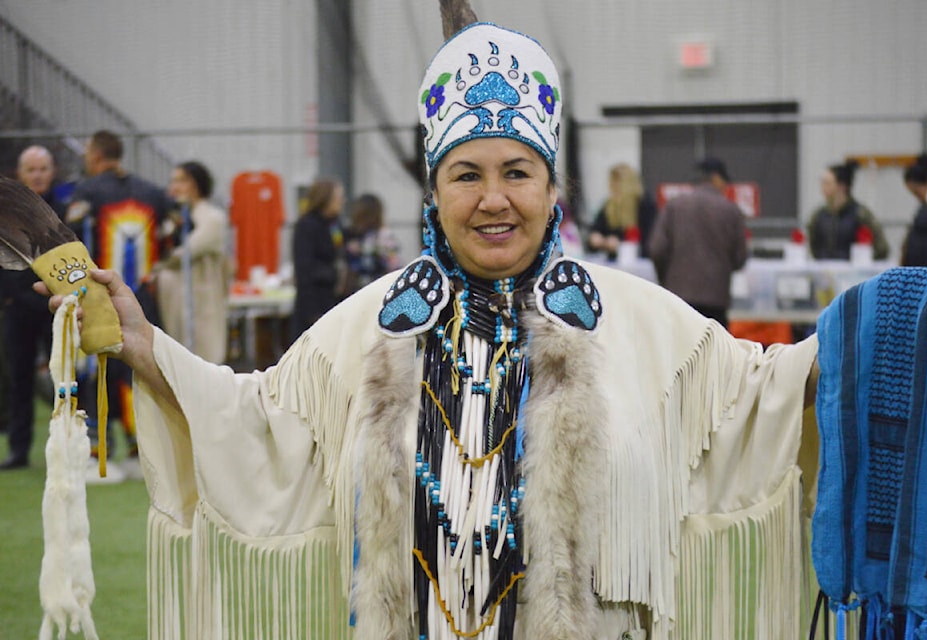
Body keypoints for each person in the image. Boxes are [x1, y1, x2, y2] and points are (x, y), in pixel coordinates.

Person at [42, 23, 821, 639]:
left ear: (555, 190)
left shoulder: (638, 320)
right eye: (467, 175)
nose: (494, 200)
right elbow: (258, 420)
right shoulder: (371, 324)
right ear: (434, 191)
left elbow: (762, 394)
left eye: (517, 172)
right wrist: (147, 349)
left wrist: (870, 331)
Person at [65, 129, 174, 481]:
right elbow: (172, 231)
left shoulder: (88, 191)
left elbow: (73, 238)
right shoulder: (152, 192)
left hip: (98, 295)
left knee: (95, 369)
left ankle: (99, 450)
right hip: (142, 299)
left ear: (96, 155)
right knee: (140, 368)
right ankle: (140, 446)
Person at [0, 145, 66, 470]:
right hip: (18, 308)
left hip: (58, 307)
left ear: (52, 172)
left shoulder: (67, 209)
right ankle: (19, 450)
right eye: (31, 169)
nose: (38, 175)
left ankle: (68, 446)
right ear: (20, 174)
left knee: (65, 379)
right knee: (19, 379)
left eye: (43, 169)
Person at [648, 156, 748, 328]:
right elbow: (740, 258)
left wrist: (667, 281)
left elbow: (657, 249)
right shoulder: (731, 211)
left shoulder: (674, 206)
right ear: (716, 178)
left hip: (678, 298)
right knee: (714, 352)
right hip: (716, 301)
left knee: (681, 352)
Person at [155, 161, 231, 363]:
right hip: (174, 305)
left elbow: (182, 253)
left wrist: (161, 256)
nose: (175, 187)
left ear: (197, 184)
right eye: (173, 181)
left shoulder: (212, 218)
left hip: (202, 305)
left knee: (204, 363)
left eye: (181, 181)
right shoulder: (172, 218)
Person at [290, 178, 345, 338]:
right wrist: (311, 312)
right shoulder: (307, 225)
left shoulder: (335, 224)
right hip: (314, 300)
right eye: (338, 197)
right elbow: (304, 269)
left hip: (333, 298)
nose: (342, 201)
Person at [806, 160, 889, 261]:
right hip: (825, 272)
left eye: (827, 183)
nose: (822, 187)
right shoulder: (818, 215)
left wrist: (861, 260)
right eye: (822, 183)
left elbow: (881, 248)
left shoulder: (861, 214)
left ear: (842, 186)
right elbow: (813, 246)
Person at [587, 163, 658, 260]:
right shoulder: (609, 205)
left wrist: (620, 245)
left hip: (638, 262)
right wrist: (596, 238)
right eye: (612, 183)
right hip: (612, 262)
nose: (613, 188)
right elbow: (596, 230)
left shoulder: (645, 206)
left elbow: (650, 242)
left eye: (618, 184)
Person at [341, 192, 402, 298]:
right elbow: (395, 265)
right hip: (374, 291)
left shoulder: (379, 236)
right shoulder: (353, 234)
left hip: (363, 292)